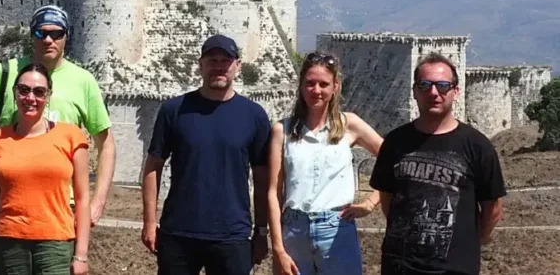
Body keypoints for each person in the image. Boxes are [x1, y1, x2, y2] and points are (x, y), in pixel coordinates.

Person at [0, 4, 115, 227]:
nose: (48, 40)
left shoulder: (83, 81)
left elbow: (107, 145)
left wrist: (97, 202)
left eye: (57, 33)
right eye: (41, 33)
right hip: (6, 205)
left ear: (66, 36)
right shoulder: (4, 74)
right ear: (32, 35)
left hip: (63, 208)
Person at [141, 34, 271, 275]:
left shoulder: (254, 116)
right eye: (212, 60)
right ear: (200, 65)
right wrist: (149, 221)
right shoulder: (174, 110)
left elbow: (263, 178)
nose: (219, 67)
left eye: (226, 61)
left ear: (237, 66)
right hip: (178, 233)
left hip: (233, 235)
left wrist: (261, 231)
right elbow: (152, 166)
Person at [370, 52, 506, 275]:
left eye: (443, 85)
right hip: (400, 267)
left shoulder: (478, 146)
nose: (433, 92)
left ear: (456, 91)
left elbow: (493, 208)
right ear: (414, 91)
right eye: (425, 85)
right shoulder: (395, 142)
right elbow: (388, 199)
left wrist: (468, 244)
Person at [267, 52, 385, 275]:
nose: (316, 90)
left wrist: (370, 202)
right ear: (301, 86)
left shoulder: (349, 124)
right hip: (294, 230)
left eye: (324, 84)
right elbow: (274, 192)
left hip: (337, 229)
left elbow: (392, 159)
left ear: (335, 87)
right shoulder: (282, 131)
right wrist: (278, 249)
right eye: (310, 83)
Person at [0, 63, 91, 275]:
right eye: (23, 90)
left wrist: (81, 255)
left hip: (55, 245)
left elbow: (83, 198)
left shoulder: (71, 136)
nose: (31, 98)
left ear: (48, 96)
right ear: (15, 93)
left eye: (39, 92)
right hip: (8, 244)